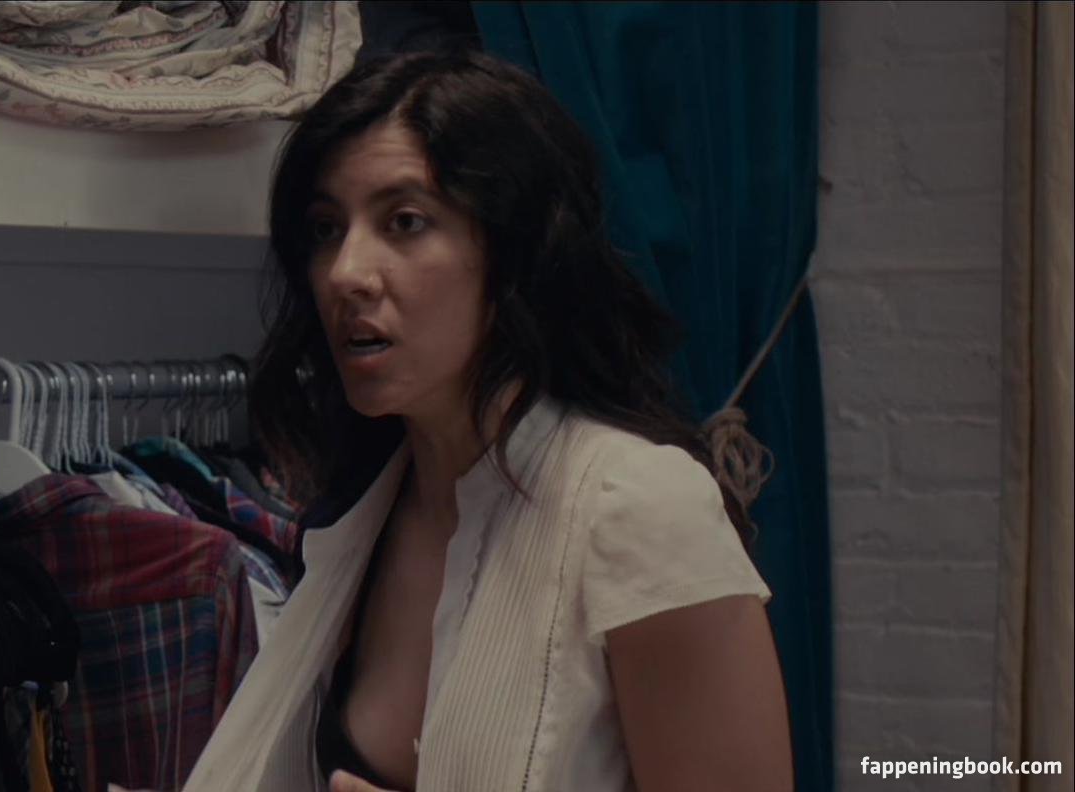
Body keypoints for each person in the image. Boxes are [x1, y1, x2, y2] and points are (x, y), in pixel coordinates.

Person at [178, 50, 793, 792]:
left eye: (405, 221)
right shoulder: (363, 512)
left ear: (515, 252)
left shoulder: (640, 507)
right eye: (325, 228)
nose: (345, 272)